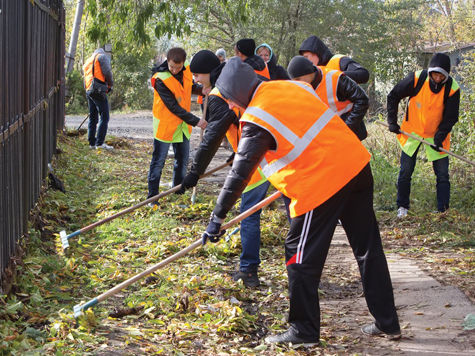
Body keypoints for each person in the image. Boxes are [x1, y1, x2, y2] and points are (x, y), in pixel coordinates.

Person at [201, 57, 401, 346]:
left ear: (237, 94)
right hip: (355, 167)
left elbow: (240, 173)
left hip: (323, 183)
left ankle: (303, 331)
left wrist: (216, 218)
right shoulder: (293, 88)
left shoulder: (257, 117)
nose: (232, 108)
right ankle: (387, 322)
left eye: (231, 101)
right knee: (367, 247)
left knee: (298, 256)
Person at [179, 50, 271, 287]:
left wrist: (194, 172)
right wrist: (235, 151)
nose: (196, 80)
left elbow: (211, 139)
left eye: (198, 75)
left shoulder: (221, 95)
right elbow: (242, 120)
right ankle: (298, 267)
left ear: (210, 72)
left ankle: (249, 271)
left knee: (247, 215)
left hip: (259, 162)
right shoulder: (230, 85)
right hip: (259, 153)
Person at [387, 52, 460, 218]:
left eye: (441, 75)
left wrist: (440, 137)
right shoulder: (416, 79)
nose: (437, 78)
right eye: (434, 74)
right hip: (412, 132)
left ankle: (443, 210)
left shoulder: (452, 88)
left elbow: (451, 117)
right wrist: (392, 121)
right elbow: (393, 95)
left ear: (446, 76)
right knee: (405, 171)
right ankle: (402, 207)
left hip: (436, 135)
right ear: (430, 72)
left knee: (442, 174)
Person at [147, 47, 207, 206]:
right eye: (171, 66)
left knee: (182, 160)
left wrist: (203, 90)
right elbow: (173, 106)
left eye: (178, 68)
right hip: (165, 126)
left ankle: (178, 192)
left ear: (183, 64)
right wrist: (196, 121)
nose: (174, 70)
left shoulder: (187, 70)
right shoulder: (160, 79)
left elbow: (189, 88)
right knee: (158, 162)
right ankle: (152, 197)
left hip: (181, 127)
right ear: (167, 61)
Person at [287, 55, 368, 140]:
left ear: (309, 72)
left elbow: (362, 100)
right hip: (330, 137)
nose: (297, 83)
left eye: (298, 79)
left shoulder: (336, 78)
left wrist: (346, 128)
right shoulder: (303, 88)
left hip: (351, 132)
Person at [299, 35, 369, 84]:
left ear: (316, 53)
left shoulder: (339, 60)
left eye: (306, 57)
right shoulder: (312, 75)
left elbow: (363, 74)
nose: (305, 62)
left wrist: (334, 76)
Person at [83, 48, 114, 150]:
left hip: (89, 89)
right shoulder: (101, 57)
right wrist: (110, 85)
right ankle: (99, 144)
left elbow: (86, 78)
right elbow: (107, 72)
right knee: (105, 116)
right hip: (98, 89)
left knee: (93, 117)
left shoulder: (88, 61)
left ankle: (92, 143)